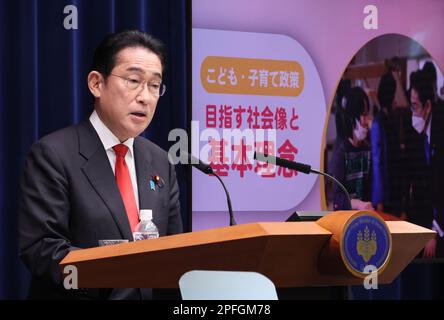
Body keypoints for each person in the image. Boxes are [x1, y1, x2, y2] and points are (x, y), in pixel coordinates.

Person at [18, 30, 183, 299]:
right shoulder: (53, 154)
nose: (145, 97)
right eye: (133, 80)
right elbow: (42, 249)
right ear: (96, 84)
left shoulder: (160, 161)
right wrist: (117, 272)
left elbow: (175, 249)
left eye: (155, 85)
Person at [408, 69, 444, 258]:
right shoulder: (422, 134)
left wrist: (436, 229)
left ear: (428, 105)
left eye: (415, 106)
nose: (412, 114)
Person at [330, 86, 374, 211]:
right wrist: (359, 204)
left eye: (368, 115)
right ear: (351, 118)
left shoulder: (368, 151)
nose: (367, 121)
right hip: (345, 220)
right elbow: (337, 200)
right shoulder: (341, 153)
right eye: (363, 115)